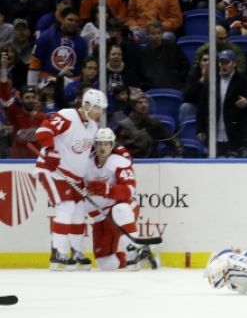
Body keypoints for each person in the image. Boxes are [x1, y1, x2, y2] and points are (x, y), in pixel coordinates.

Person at [33, 88, 108, 270]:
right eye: (97, 108)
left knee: (79, 210)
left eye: (102, 109)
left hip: (74, 177)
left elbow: (83, 153)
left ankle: (76, 250)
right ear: (87, 104)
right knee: (65, 207)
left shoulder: (92, 126)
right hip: (52, 171)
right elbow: (43, 130)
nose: (100, 113)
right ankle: (58, 252)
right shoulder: (67, 115)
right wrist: (50, 150)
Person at [84, 128, 156, 270]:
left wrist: (107, 190)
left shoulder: (119, 162)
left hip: (123, 210)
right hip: (100, 218)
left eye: (106, 144)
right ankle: (140, 252)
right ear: (94, 145)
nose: (102, 147)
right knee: (106, 264)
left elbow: (129, 190)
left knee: (120, 208)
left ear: (112, 145)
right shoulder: (86, 164)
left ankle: (133, 250)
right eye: (99, 144)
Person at [196, 49, 247, 157]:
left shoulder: (243, 81)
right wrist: (200, 129)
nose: (223, 65)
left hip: (235, 134)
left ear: (234, 63)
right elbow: (202, 106)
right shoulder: (212, 81)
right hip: (214, 134)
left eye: (226, 62)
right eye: (221, 62)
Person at [0, 52, 46, 158]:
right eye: (27, 97)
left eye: (33, 97)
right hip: (18, 163)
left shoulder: (43, 117)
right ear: (20, 100)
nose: (30, 100)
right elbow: (5, 94)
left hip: (37, 162)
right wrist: (3, 68)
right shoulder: (15, 114)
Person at [27, 7, 88, 85]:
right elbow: (35, 62)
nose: (73, 23)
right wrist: (31, 86)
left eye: (76, 21)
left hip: (71, 85)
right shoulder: (46, 36)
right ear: (62, 19)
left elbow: (83, 69)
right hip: (47, 83)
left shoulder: (82, 43)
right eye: (70, 20)